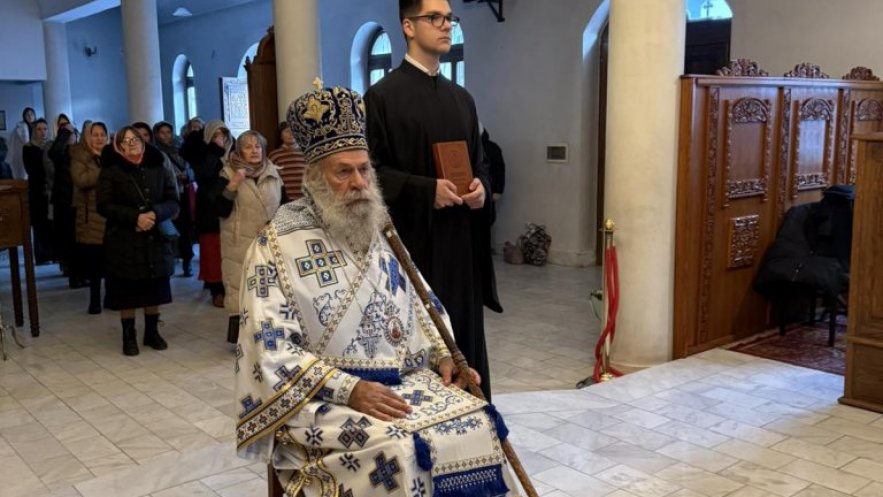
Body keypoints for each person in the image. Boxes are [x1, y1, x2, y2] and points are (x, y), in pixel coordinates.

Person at [236, 85, 520, 497]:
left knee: (479, 422)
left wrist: (442, 353)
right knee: (401, 449)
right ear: (314, 178)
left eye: (364, 169)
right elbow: (269, 350)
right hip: (318, 400)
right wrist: (350, 389)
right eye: (343, 172)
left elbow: (420, 301)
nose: (359, 182)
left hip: (398, 383)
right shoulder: (275, 245)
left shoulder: (379, 229)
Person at [365, 0, 500, 400]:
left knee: (465, 340)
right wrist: (426, 190)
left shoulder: (462, 99)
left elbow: (481, 163)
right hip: (413, 249)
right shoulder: (381, 97)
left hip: (461, 247)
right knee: (422, 351)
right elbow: (369, 173)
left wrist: (481, 188)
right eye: (434, 18)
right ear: (408, 26)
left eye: (449, 18)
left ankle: (474, 421)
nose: (446, 25)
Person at [97, 126, 179, 356]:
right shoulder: (111, 170)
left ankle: (152, 332)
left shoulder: (158, 165)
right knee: (127, 290)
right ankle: (129, 335)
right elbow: (103, 205)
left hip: (154, 235)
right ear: (118, 146)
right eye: (126, 141)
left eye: (136, 139)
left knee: (154, 286)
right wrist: (135, 217)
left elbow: (173, 200)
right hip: (123, 237)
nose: (132, 144)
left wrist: (154, 214)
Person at [214, 130, 287, 343]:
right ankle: (243, 339)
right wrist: (234, 184)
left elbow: (285, 206)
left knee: (270, 287)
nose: (254, 151)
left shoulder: (274, 172)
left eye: (257, 146)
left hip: (269, 240)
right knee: (241, 288)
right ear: (239, 151)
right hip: (239, 242)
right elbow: (218, 209)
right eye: (248, 147)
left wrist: (272, 224)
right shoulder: (227, 173)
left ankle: (269, 334)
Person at [180, 119, 233, 307]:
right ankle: (216, 289)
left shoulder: (233, 152)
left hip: (229, 204)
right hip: (208, 208)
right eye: (216, 134)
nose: (220, 138)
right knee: (212, 250)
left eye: (223, 134)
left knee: (228, 249)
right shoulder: (202, 153)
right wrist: (214, 151)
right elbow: (205, 173)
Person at [71, 121, 109, 314]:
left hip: (112, 213)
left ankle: (111, 297)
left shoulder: (112, 155)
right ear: (87, 137)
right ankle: (95, 301)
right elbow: (82, 180)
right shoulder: (79, 155)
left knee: (112, 260)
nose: (99, 138)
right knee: (95, 263)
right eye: (95, 135)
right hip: (91, 214)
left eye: (102, 134)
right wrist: (104, 168)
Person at [155, 121, 196, 276]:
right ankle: (171, 260)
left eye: (168, 132)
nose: (166, 136)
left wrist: (188, 175)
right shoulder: (155, 152)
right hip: (168, 195)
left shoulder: (181, 148)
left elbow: (191, 167)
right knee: (170, 228)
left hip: (184, 193)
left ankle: (187, 260)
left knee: (186, 229)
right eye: (162, 132)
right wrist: (175, 176)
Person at [48, 122, 83, 288]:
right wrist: (65, 132)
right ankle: (74, 276)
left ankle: (81, 275)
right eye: (66, 135)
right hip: (65, 202)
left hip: (79, 200)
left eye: (72, 134)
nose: (70, 137)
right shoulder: (60, 155)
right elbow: (54, 152)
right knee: (70, 241)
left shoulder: (80, 154)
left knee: (80, 241)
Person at [22, 119, 53, 263]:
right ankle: (41, 255)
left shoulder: (50, 146)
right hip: (37, 189)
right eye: (39, 129)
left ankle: (53, 253)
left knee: (50, 222)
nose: (43, 132)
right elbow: (31, 169)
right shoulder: (28, 148)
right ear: (34, 131)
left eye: (45, 129)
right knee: (39, 223)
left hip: (50, 188)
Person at [267, 121, 307, 199]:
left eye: (294, 130)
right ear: (280, 136)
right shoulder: (274, 155)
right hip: (284, 199)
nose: (291, 134)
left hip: (306, 198)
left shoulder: (307, 153)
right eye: (287, 131)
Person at [8, 107, 36, 180]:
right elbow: (13, 145)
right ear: (24, 116)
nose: (30, 116)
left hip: (35, 155)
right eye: (27, 115)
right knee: (23, 178)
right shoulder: (19, 128)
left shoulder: (37, 127)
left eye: (31, 114)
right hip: (22, 156)